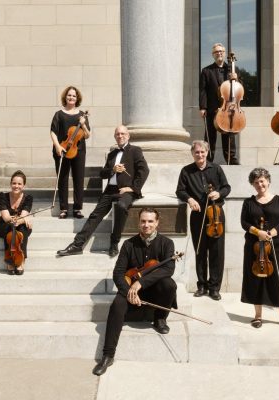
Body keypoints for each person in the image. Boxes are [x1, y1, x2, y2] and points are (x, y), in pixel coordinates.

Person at [92, 208, 178, 376]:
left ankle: (160, 318)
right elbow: (118, 273)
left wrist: (140, 283)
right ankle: (108, 355)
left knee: (169, 285)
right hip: (131, 291)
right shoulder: (128, 244)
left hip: (154, 292)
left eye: (150, 221)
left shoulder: (167, 243)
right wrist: (129, 291)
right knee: (117, 304)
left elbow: (168, 269)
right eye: (143, 221)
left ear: (157, 223)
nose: (146, 225)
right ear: (139, 222)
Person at [58, 125, 149, 257]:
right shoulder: (112, 154)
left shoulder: (135, 150)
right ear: (115, 136)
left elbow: (144, 170)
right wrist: (112, 170)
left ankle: (114, 242)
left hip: (125, 191)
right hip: (110, 190)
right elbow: (102, 174)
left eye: (123, 133)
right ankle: (77, 245)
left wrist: (133, 188)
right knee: (95, 215)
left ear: (128, 136)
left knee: (121, 206)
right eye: (117, 134)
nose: (120, 136)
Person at [175, 140, 231, 301]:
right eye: (197, 152)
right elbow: (180, 190)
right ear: (192, 154)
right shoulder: (186, 171)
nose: (200, 155)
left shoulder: (217, 168)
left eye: (202, 152)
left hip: (216, 214)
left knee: (217, 252)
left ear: (207, 152)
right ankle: (202, 285)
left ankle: (214, 288)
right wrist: (189, 199)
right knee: (200, 250)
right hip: (198, 215)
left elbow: (227, 187)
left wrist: (219, 194)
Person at [240, 168, 279, 329]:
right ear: (253, 185)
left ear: (268, 181)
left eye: (262, 181)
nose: (259, 184)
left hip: (273, 247)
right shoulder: (248, 202)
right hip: (254, 248)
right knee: (256, 280)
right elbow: (244, 223)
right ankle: (257, 316)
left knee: (277, 280)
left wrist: (271, 233)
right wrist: (258, 232)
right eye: (256, 182)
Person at [50, 86, 91, 219]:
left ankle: (77, 208)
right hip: (62, 149)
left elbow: (87, 135)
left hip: (78, 151)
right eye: (69, 95)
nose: (71, 97)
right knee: (62, 179)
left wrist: (83, 124)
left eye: (73, 96)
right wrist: (57, 146)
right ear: (65, 97)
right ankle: (64, 209)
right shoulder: (59, 114)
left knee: (78, 179)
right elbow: (53, 132)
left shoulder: (81, 115)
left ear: (77, 98)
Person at [199, 42, 240, 165]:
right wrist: (202, 107)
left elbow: (239, 88)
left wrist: (236, 78)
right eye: (216, 52)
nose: (219, 54)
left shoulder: (233, 69)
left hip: (228, 108)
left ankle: (231, 159)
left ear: (224, 53)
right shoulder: (206, 71)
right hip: (212, 107)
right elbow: (203, 90)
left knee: (229, 134)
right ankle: (209, 160)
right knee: (210, 135)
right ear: (213, 55)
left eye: (221, 51)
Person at [0, 170, 33, 275]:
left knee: (23, 228)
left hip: (19, 226)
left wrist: (23, 219)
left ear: (23, 185)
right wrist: (21, 219)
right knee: (10, 227)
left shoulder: (28, 198)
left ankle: (22, 259)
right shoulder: (3, 196)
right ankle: (10, 259)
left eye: (19, 184)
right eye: (14, 183)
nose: (16, 186)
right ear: (10, 184)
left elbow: (24, 214)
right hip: (4, 226)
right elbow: (6, 217)